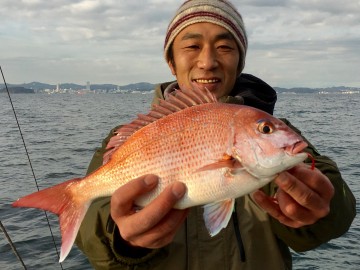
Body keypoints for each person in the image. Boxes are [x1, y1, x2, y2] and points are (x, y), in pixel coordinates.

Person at [75, 1, 356, 269]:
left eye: (224, 47)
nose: (207, 62)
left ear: (240, 62)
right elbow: (90, 232)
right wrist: (124, 243)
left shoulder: (277, 135)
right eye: (192, 46)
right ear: (172, 63)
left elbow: (333, 205)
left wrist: (322, 208)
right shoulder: (127, 139)